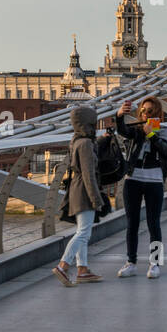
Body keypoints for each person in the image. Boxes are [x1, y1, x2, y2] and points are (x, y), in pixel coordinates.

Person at [114, 96, 167, 278]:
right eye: (143, 111)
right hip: (133, 179)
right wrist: (119, 116)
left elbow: (165, 150)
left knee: (153, 223)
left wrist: (151, 134)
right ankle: (131, 262)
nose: (145, 114)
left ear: (157, 113)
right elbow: (123, 130)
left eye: (149, 111)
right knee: (132, 223)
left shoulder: (165, 131)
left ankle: (155, 264)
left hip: (154, 180)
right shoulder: (136, 130)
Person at [52, 105, 108, 286]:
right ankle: (63, 265)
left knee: (82, 230)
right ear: (87, 123)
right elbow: (88, 174)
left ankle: (82, 270)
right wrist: (95, 199)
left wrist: (100, 141)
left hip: (76, 188)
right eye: (93, 123)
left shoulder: (77, 140)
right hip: (84, 190)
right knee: (84, 233)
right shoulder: (85, 144)